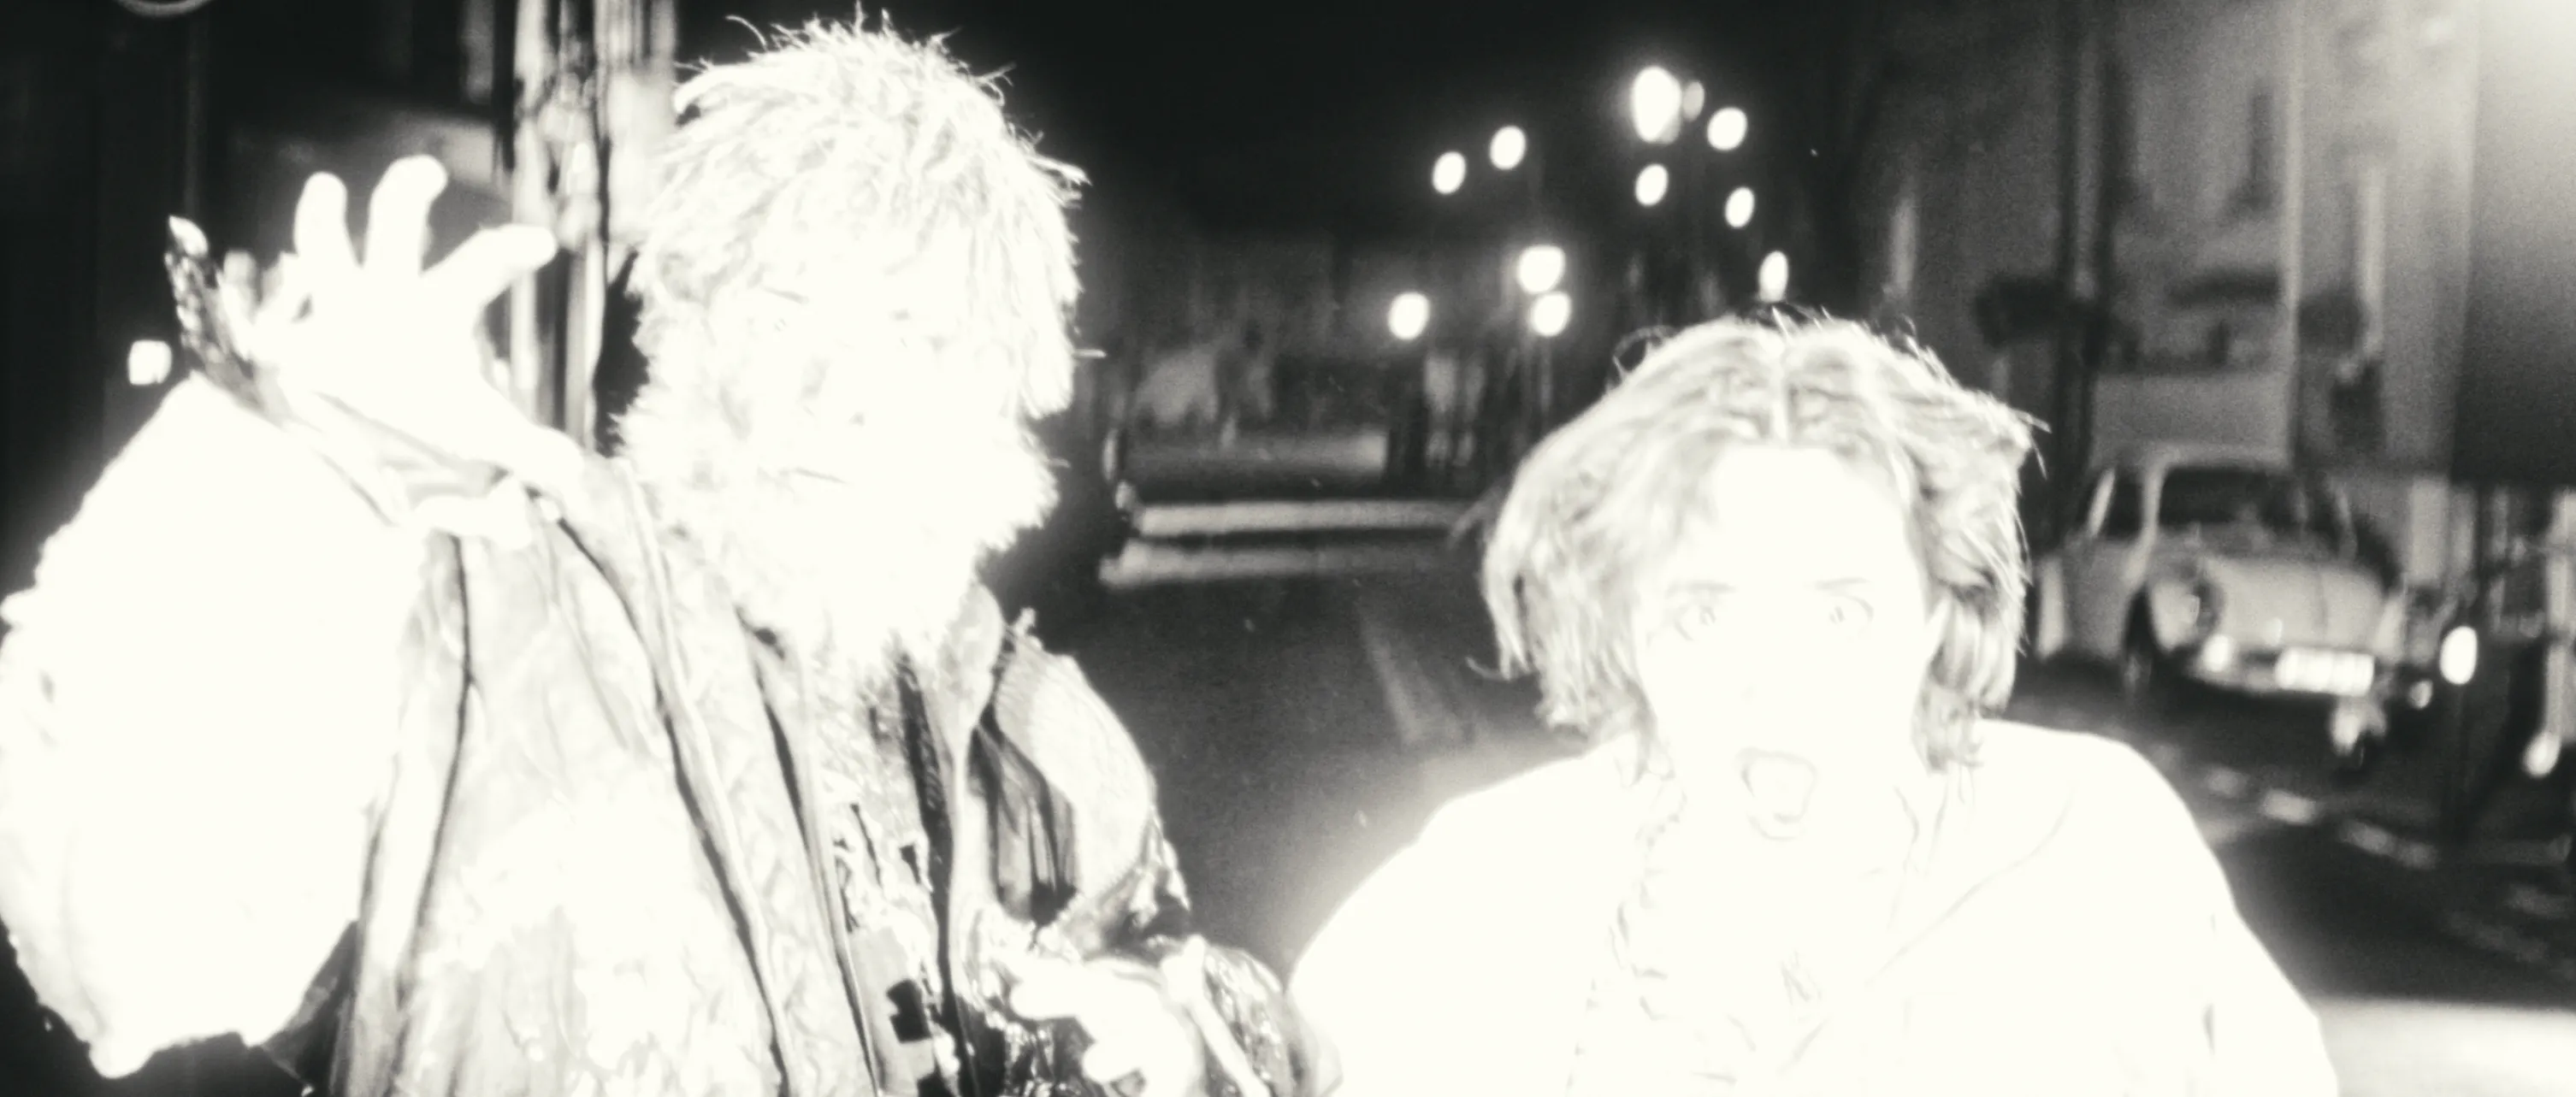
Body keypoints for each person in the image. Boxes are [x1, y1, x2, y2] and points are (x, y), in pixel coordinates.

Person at [0, 21, 1309, 1097]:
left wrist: (1184, 1034)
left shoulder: (1037, 737)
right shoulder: (493, 619)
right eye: (786, 309)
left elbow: (1184, 971)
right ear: (690, 326)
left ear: (996, 393)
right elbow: (124, 944)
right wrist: (290, 480)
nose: (839, 395)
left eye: (913, 337)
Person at [1291, 315, 2338, 1096]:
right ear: (1627, 630)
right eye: (1704, 613)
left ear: (1938, 615)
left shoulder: (2093, 844)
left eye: (1839, 612)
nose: (1772, 678)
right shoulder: (1491, 881)